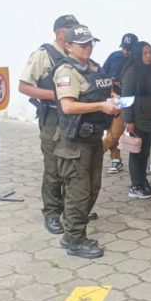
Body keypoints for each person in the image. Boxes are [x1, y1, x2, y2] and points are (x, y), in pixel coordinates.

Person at [52, 24, 119, 258]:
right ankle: (75, 240)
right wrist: (101, 106)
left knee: (92, 188)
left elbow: (102, 91)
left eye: (91, 43)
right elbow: (68, 107)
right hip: (74, 141)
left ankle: (73, 232)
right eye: (83, 44)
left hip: (93, 138)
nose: (88, 47)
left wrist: (113, 98)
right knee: (78, 193)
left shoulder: (93, 67)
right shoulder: (66, 71)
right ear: (69, 46)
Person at [18, 14, 80, 235]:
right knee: (54, 168)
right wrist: (57, 95)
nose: (73, 33)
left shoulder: (76, 53)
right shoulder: (43, 55)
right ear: (58, 32)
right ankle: (52, 213)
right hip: (53, 118)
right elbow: (24, 86)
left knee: (73, 167)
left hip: (75, 117)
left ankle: (72, 209)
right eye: (69, 29)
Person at [121, 40, 151, 199]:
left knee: (145, 152)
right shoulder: (132, 71)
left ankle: (143, 182)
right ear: (138, 54)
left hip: (149, 115)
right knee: (136, 152)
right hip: (137, 117)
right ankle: (136, 186)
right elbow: (125, 98)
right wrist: (128, 120)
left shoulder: (149, 70)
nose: (149, 56)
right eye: (145, 53)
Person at [102, 33, 138, 174]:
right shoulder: (114, 56)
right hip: (110, 98)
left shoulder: (136, 61)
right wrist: (110, 86)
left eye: (129, 49)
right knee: (110, 131)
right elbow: (102, 74)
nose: (126, 51)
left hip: (125, 100)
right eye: (124, 48)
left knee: (115, 134)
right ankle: (116, 160)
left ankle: (93, 154)